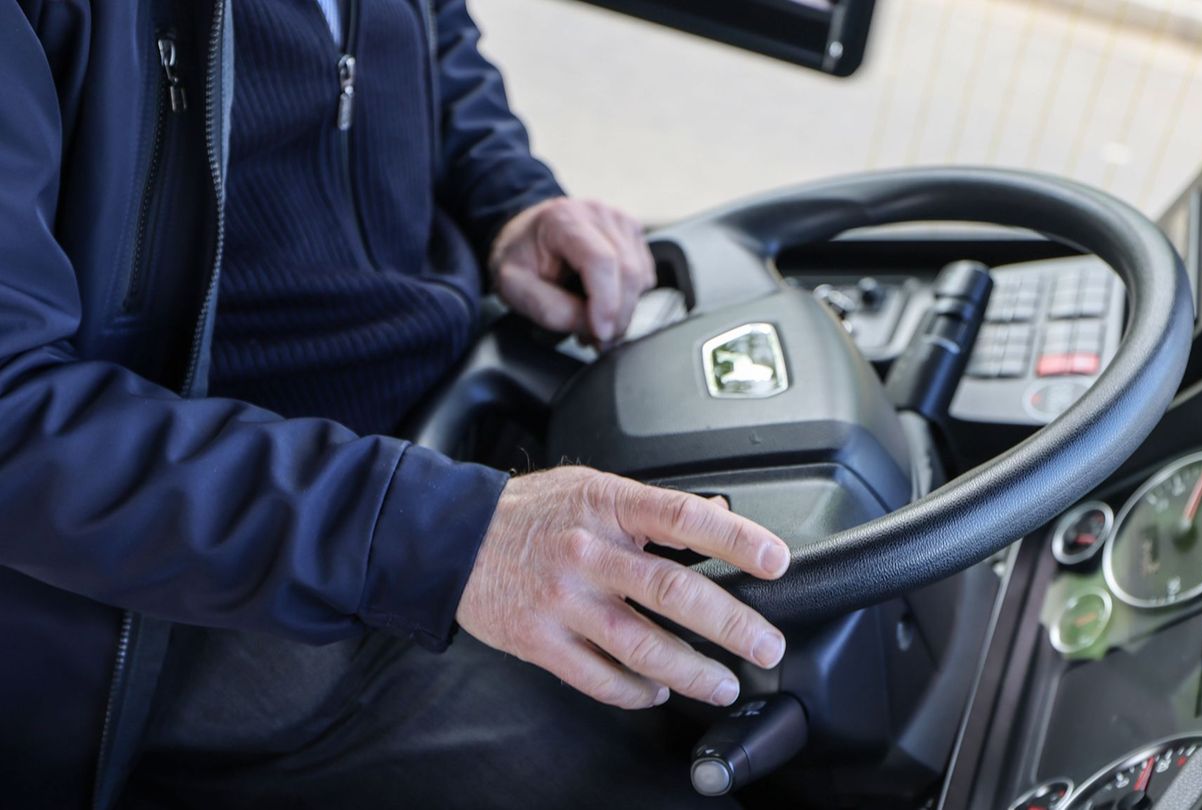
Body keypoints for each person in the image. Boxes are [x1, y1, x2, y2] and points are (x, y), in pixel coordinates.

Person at [0, 1, 790, 807]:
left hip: (443, 422)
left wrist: (510, 201)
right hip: (198, 567)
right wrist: (436, 532)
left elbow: (429, 32)